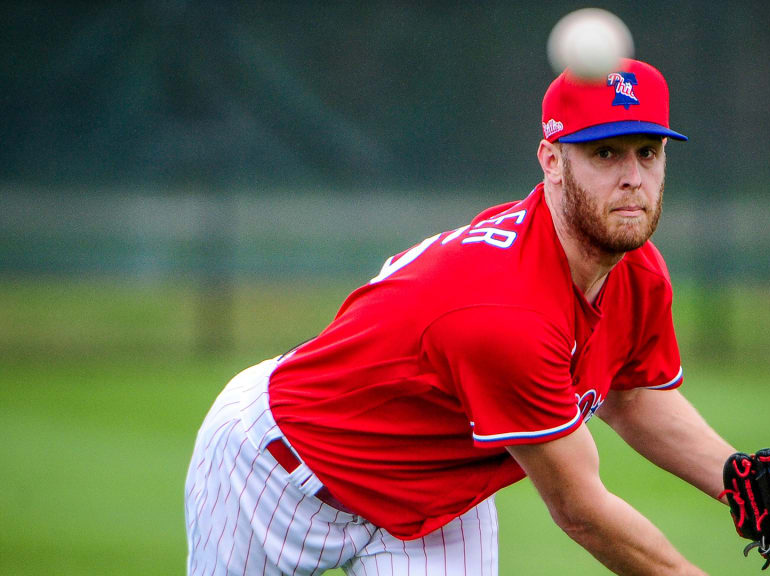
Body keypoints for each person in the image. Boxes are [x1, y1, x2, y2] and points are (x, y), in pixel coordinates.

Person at [185, 58, 736, 576]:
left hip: (436, 497)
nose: (633, 177)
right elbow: (580, 509)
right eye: (605, 153)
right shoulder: (508, 310)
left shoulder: (638, 274)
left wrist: (746, 483)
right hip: (278, 471)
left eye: (648, 152)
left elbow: (632, 395)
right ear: (552, 161)